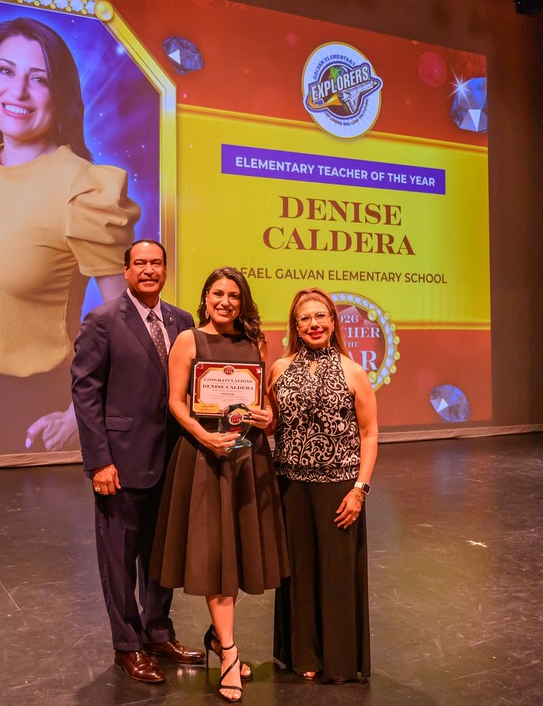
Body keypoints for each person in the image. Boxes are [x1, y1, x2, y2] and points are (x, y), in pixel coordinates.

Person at [0, 17, 137, 457]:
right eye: (5, 71)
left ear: (60, 93)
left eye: (38, 79)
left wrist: (80, 414)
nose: (18, 91)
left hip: (38, 404)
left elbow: (128, 321)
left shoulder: (83, 187)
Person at [150, 267, 289, 702]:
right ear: (206, 298)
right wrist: (204, 435)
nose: (225, 301)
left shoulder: (256, 342)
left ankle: (217, 636)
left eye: (233, 295)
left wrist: (267, 415)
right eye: (217, 293)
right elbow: (175, 401)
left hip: (248, 458)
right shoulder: (188, 339)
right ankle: (228, 651)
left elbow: (265, 404)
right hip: (204, 458)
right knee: (214, 554)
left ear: (242, 301)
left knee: (238, 551)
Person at [70, 239, 204, 684]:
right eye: (140, 263)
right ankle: (127, 645)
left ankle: (158, 632)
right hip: (121, 464)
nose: (149, 270)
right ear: (126, 270)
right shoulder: (103, 320)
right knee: (119, 558)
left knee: (161, 555)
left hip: (173, 459)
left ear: (165, 269)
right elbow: (85, 393)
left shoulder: (182, 321)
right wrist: (99, 461)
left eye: (156, 263)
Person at [268, 288, 379, 683]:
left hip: (339, 488)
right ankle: (304, 654)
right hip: (290, 487)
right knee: (297, 572)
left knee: (336, 573)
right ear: (295, 326)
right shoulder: (279, 369)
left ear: (333, 322)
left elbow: (369, 434)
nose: (313, 324)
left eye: (320, 316)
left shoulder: (353, 371)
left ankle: (339, 658)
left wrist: (359, 490)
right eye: (305, 318)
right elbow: (271, 423)